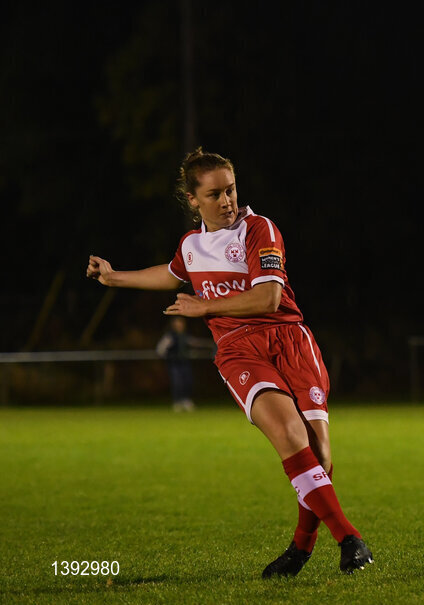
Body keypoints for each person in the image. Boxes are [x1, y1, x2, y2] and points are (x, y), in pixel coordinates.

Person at [86, 148, 372, 577]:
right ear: (193, 200)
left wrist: (204, 307)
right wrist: (114, 277)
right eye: (215, 194)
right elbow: (172, 272)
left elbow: (269, 298)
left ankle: (300, 548)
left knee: (321, 456)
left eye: (231, 190)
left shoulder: (258, 229)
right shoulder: (192, 244)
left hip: (290, 341)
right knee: (290, 435)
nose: (226, 201)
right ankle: (350, 539)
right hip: (239, 351)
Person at [155, 316, 209, 411]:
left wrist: (207, 344)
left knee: (187, 381)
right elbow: (160, 349)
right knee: (177, 382)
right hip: (174, 363)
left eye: (181, 323)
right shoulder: (170, 336)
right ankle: (177, 402)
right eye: (178, 323)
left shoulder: (185, 335)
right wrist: (168, 356)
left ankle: (186, 400)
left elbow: (194, 343)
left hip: (185, 362)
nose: (180, 325)